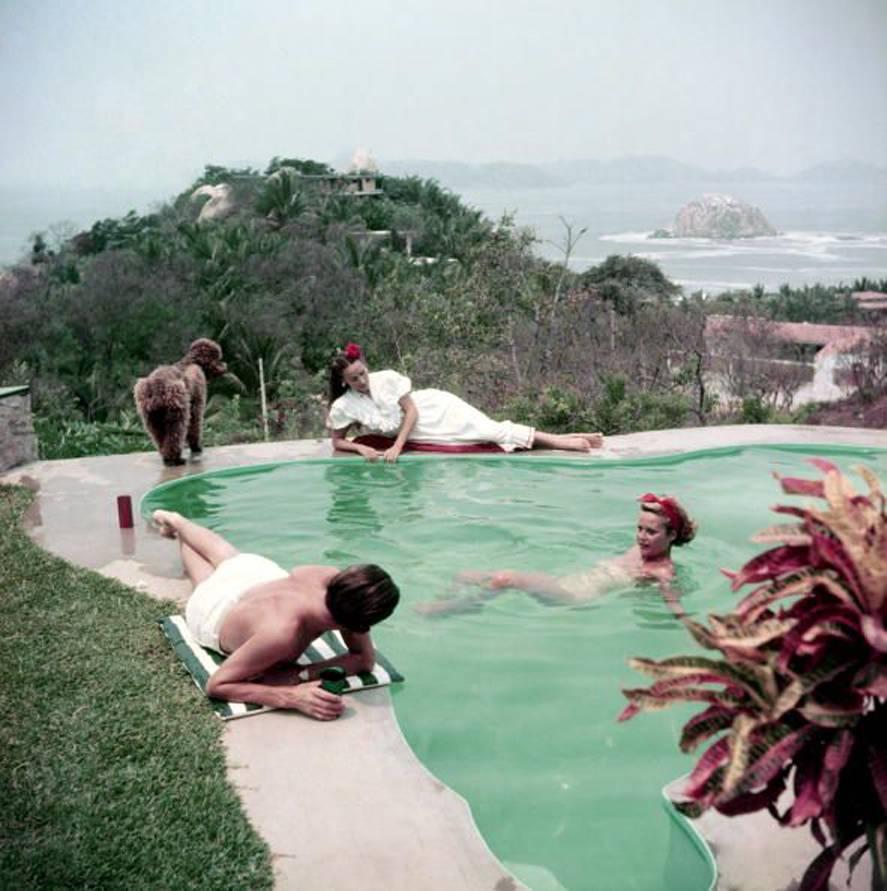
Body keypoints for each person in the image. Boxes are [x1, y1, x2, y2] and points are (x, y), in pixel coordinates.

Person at [152, 509, 400, 720]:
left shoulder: (329, 576)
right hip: (216, 612)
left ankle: (177, 522)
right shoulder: (283, 634)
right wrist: (289, 696)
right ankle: (178, 533)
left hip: (259, 579)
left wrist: (300, 674)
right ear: (359, 624)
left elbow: (363, 659)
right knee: (204, 579)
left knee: (227, 557)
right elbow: (217, 685)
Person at [416, 493, 696, 615]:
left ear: (671, 536)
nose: (641, 537)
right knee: (465, 574)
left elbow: (673, 602)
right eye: (639, 528)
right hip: (567, 580)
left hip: (574, 597)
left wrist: (691, 630)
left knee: (506, 578)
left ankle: (451, 610)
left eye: (651, 532)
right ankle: (449, 601)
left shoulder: (661, 570)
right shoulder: (639, 550)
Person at [327, 342, 604, 462]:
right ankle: (569, 436)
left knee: (490, 430)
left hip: (434, 409)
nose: (362, 381)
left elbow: (410, 410)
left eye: (362, 373)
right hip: (422, 432)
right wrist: (362, 450)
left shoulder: (386, 378)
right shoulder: (344, 406)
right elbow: (338, 441)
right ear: (343, 382)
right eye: (354, 379)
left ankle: (562, 442)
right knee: (486, 435)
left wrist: (398, 446)